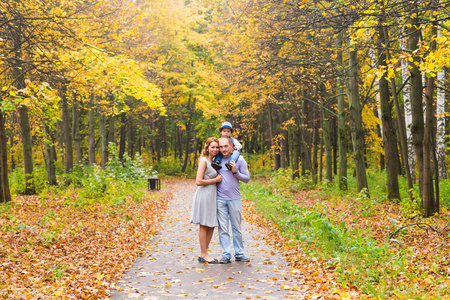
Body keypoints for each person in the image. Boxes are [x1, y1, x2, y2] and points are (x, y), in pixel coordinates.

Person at [216, 137, 250, 264]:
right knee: (223, 228)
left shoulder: (239, 160)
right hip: (220, 199)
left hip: (235, 199)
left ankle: (240, 254)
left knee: (237, 228)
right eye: (221, 147)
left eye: (226, 146)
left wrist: (235, 172)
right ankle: (225, 254)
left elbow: (247, 179)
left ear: (231, 146)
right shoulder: (217, 161)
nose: (223, 149)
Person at [190, 137, 222, 264]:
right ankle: (204, 254)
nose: (215, 149)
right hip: (204, 195)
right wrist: (215, 180)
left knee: (211, 224)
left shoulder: (213, 160)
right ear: (207, 147)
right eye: (212, 147)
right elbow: (198, 181)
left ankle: (204, 252)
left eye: (217, 147)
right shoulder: (204, 160)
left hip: (212, 196)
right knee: (204, 224)